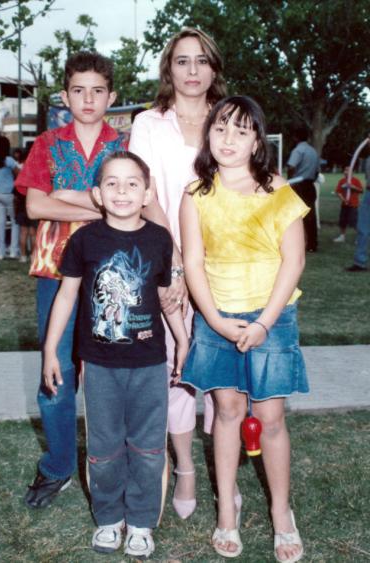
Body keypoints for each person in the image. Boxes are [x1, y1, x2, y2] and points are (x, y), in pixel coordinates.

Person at [180, 96, 308, 562]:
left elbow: (293, 261)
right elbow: (193, 261)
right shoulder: (196, 195)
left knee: (270, 419)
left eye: (240, 130)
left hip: (271, 319)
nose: (229, 139)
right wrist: (213, 319)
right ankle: (227, 516)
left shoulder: (278, 189)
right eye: (220, 129)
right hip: (218, 320)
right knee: (228, 415)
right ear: (207, 135)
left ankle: (281, 514)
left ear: (258, 140)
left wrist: (264, 322)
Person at [43, 151, 188, 558]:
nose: (122, 191)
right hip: (100, 365)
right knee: (104, 447)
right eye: (112, 183)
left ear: (146, 193)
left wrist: (183, 343)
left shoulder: (160, 239)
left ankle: (141, 521)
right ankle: (109, 518)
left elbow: (166, 299)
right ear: (97, 194)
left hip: (149, 364)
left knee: (147, 447)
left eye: (131, 183)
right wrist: (51, 350)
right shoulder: (84, 240)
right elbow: (67, 295)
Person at [15, 51, 127, 509]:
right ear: (65, 95)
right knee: (55, 371)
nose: (87, 99)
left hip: (111, 274)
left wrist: (69, 197)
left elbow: (131, 205)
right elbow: (37, 207)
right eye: (78, 90)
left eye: (97, 91)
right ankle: (59, 465)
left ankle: (109, 466)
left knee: (108, 373)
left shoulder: (121, 147)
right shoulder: (47, 143)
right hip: (55, 271)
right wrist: (98, 205)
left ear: (111, 97)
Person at [129, 27, 227, 519]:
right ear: (169, 69)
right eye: (182, 61)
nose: (192, 71)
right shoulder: (149, 123)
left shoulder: (228, 121)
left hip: (224, 263)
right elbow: (146, 193)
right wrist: (178, 263)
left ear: (214, 68)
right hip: (165, 261)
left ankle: (226, 474)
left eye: (201, 61)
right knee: (175, 370)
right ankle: (186, 468)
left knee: (225, 374)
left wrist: (203, 264)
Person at [287, 127, 320, 252]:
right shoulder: (313, 151)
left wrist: (291, 181)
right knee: (310, 215)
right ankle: (312, 243)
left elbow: (291, 166)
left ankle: (299, 243)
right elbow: (317, 172)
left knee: (296, 215)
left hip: (298, 184)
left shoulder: (298, 150)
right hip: (310, 185)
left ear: (296, 137)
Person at [0, 136, 20, 259]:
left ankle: (0, 253)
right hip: (9, 194)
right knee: (15, 222)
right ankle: (13, 251)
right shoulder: (9, 160)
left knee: (0, 223)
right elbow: (19, 175)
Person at [13, 148, 38, 262]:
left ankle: (23, 256)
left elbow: (15, 193)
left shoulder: (20, 174)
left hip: (21, 206)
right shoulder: (36, 173)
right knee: (33, 233)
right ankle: (33, 256)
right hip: (33, 205)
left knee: (23, 232)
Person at [346, 154, 370, 271]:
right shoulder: (368, 159)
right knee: (362, 228)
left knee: (363, 228)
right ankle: (360, 262)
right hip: (368, 194)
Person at [333, 166, 363, 243]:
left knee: (353, 221)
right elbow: (338, 192)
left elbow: (361, 190)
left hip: (353, 205)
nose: (346, 171)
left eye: (348, 170)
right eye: (345, 170)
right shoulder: (342, 181)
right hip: (344, 204)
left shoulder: (356, 181)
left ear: (352, 172)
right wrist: (343, 199)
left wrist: (353, 187)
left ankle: (359, 237)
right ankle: (342, 236)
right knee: (342, 220)